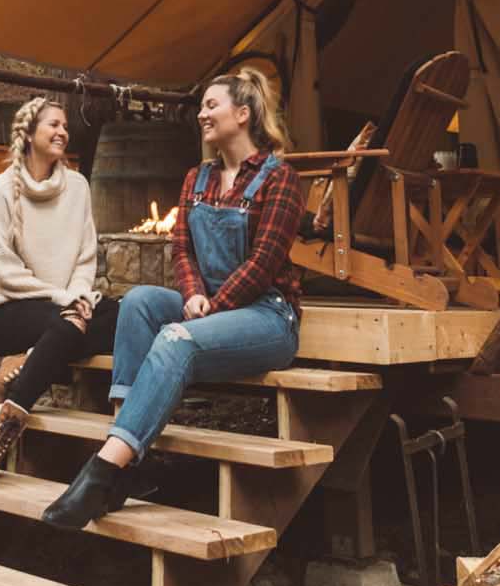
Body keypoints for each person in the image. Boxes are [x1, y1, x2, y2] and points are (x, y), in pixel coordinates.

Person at [41, 68, 305, 529]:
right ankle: (125, 461)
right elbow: (181, 248)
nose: (201, 114)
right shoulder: (196, 178)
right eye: (202, 106)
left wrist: (212, 304)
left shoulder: (279, 178)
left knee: (177, 338)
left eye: (211, 106)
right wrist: (194, 293)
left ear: (242, 115)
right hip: (209, 306)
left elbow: (264, 263)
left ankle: (101, 473)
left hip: (267, 315)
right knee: (139, 300)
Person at [0, 95, 119, 485]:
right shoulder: (1, 189)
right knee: (70, 324)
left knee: (119, 314)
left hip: (62, 312)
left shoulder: (78, 187)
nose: (63, 132)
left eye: (65, 126)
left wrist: (80, 293)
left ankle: (15, 371)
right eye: (53, 124)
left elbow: (86, 256)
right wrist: (60, 296)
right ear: (29, 132)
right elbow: (1, 268)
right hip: (9, 312)